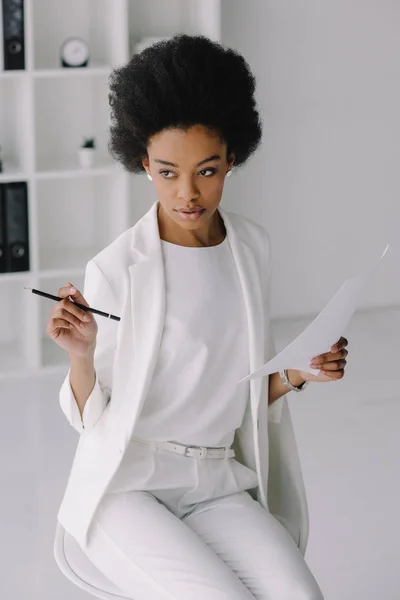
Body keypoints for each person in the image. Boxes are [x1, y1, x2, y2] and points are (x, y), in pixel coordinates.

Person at [47, 34, 348, 600]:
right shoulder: (117, 268)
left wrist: (300, 374)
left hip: (213, 481)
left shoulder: (250, 249)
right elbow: (93, 422)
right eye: (166, 172)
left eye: (206, 171)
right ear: (143, 162)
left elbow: (235, 395)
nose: (186, 193)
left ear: (233, 158)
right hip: (128, 486)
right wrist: (81, 355)